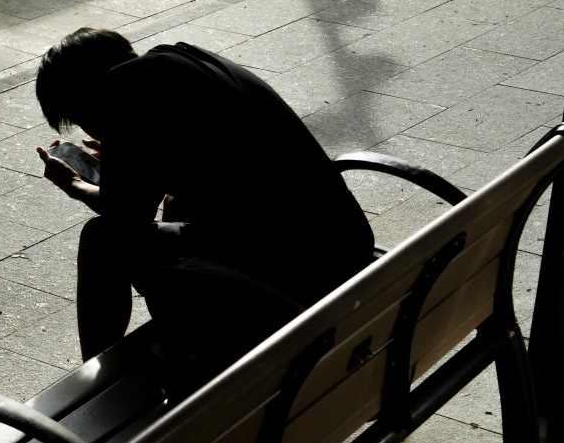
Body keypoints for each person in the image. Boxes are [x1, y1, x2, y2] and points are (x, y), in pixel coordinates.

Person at [34, 27, 375, 367]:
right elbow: (214, 160)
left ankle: (93, 387)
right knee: (177, 203)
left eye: (80, 120)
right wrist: (129, 156)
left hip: (294, 281)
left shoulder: (122, 90)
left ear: (87, 96)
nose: (90, 132)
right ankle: (186, 324)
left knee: (101, 240)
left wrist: (74, 184)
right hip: (344, 250)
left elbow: (124, 215)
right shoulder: (183, 58)